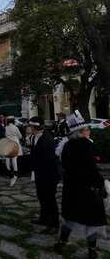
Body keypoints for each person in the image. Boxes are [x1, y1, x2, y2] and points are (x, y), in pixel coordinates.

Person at [54, 111, 107, 259]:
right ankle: (92, 250)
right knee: (92, 220)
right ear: (80, 132)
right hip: (87, 189)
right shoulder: (86, 145)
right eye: (87, 129)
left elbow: (65, 167)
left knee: (70, 217)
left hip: (71, 187)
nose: (89, 131)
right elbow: (91, 169)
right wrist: (100, 184)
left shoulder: (66, 146)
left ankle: (62, 243)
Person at [29, 116, 60, 232]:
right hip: (40, 173)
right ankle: (44, 218)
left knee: (50, 199)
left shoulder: (47, 139)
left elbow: (48, 160)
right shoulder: (35, 137)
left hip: (49, 174)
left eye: (30, 126)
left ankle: (54, 225)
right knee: (42, 197)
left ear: (34, 127)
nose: (29, 128)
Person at [5, 116, 23, 186]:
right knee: (14, 159)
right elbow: (20, 136)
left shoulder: (5, 128)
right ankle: (15, 174)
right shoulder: (15, 127)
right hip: (15, 144)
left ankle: (9, 172)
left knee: (7, 159)